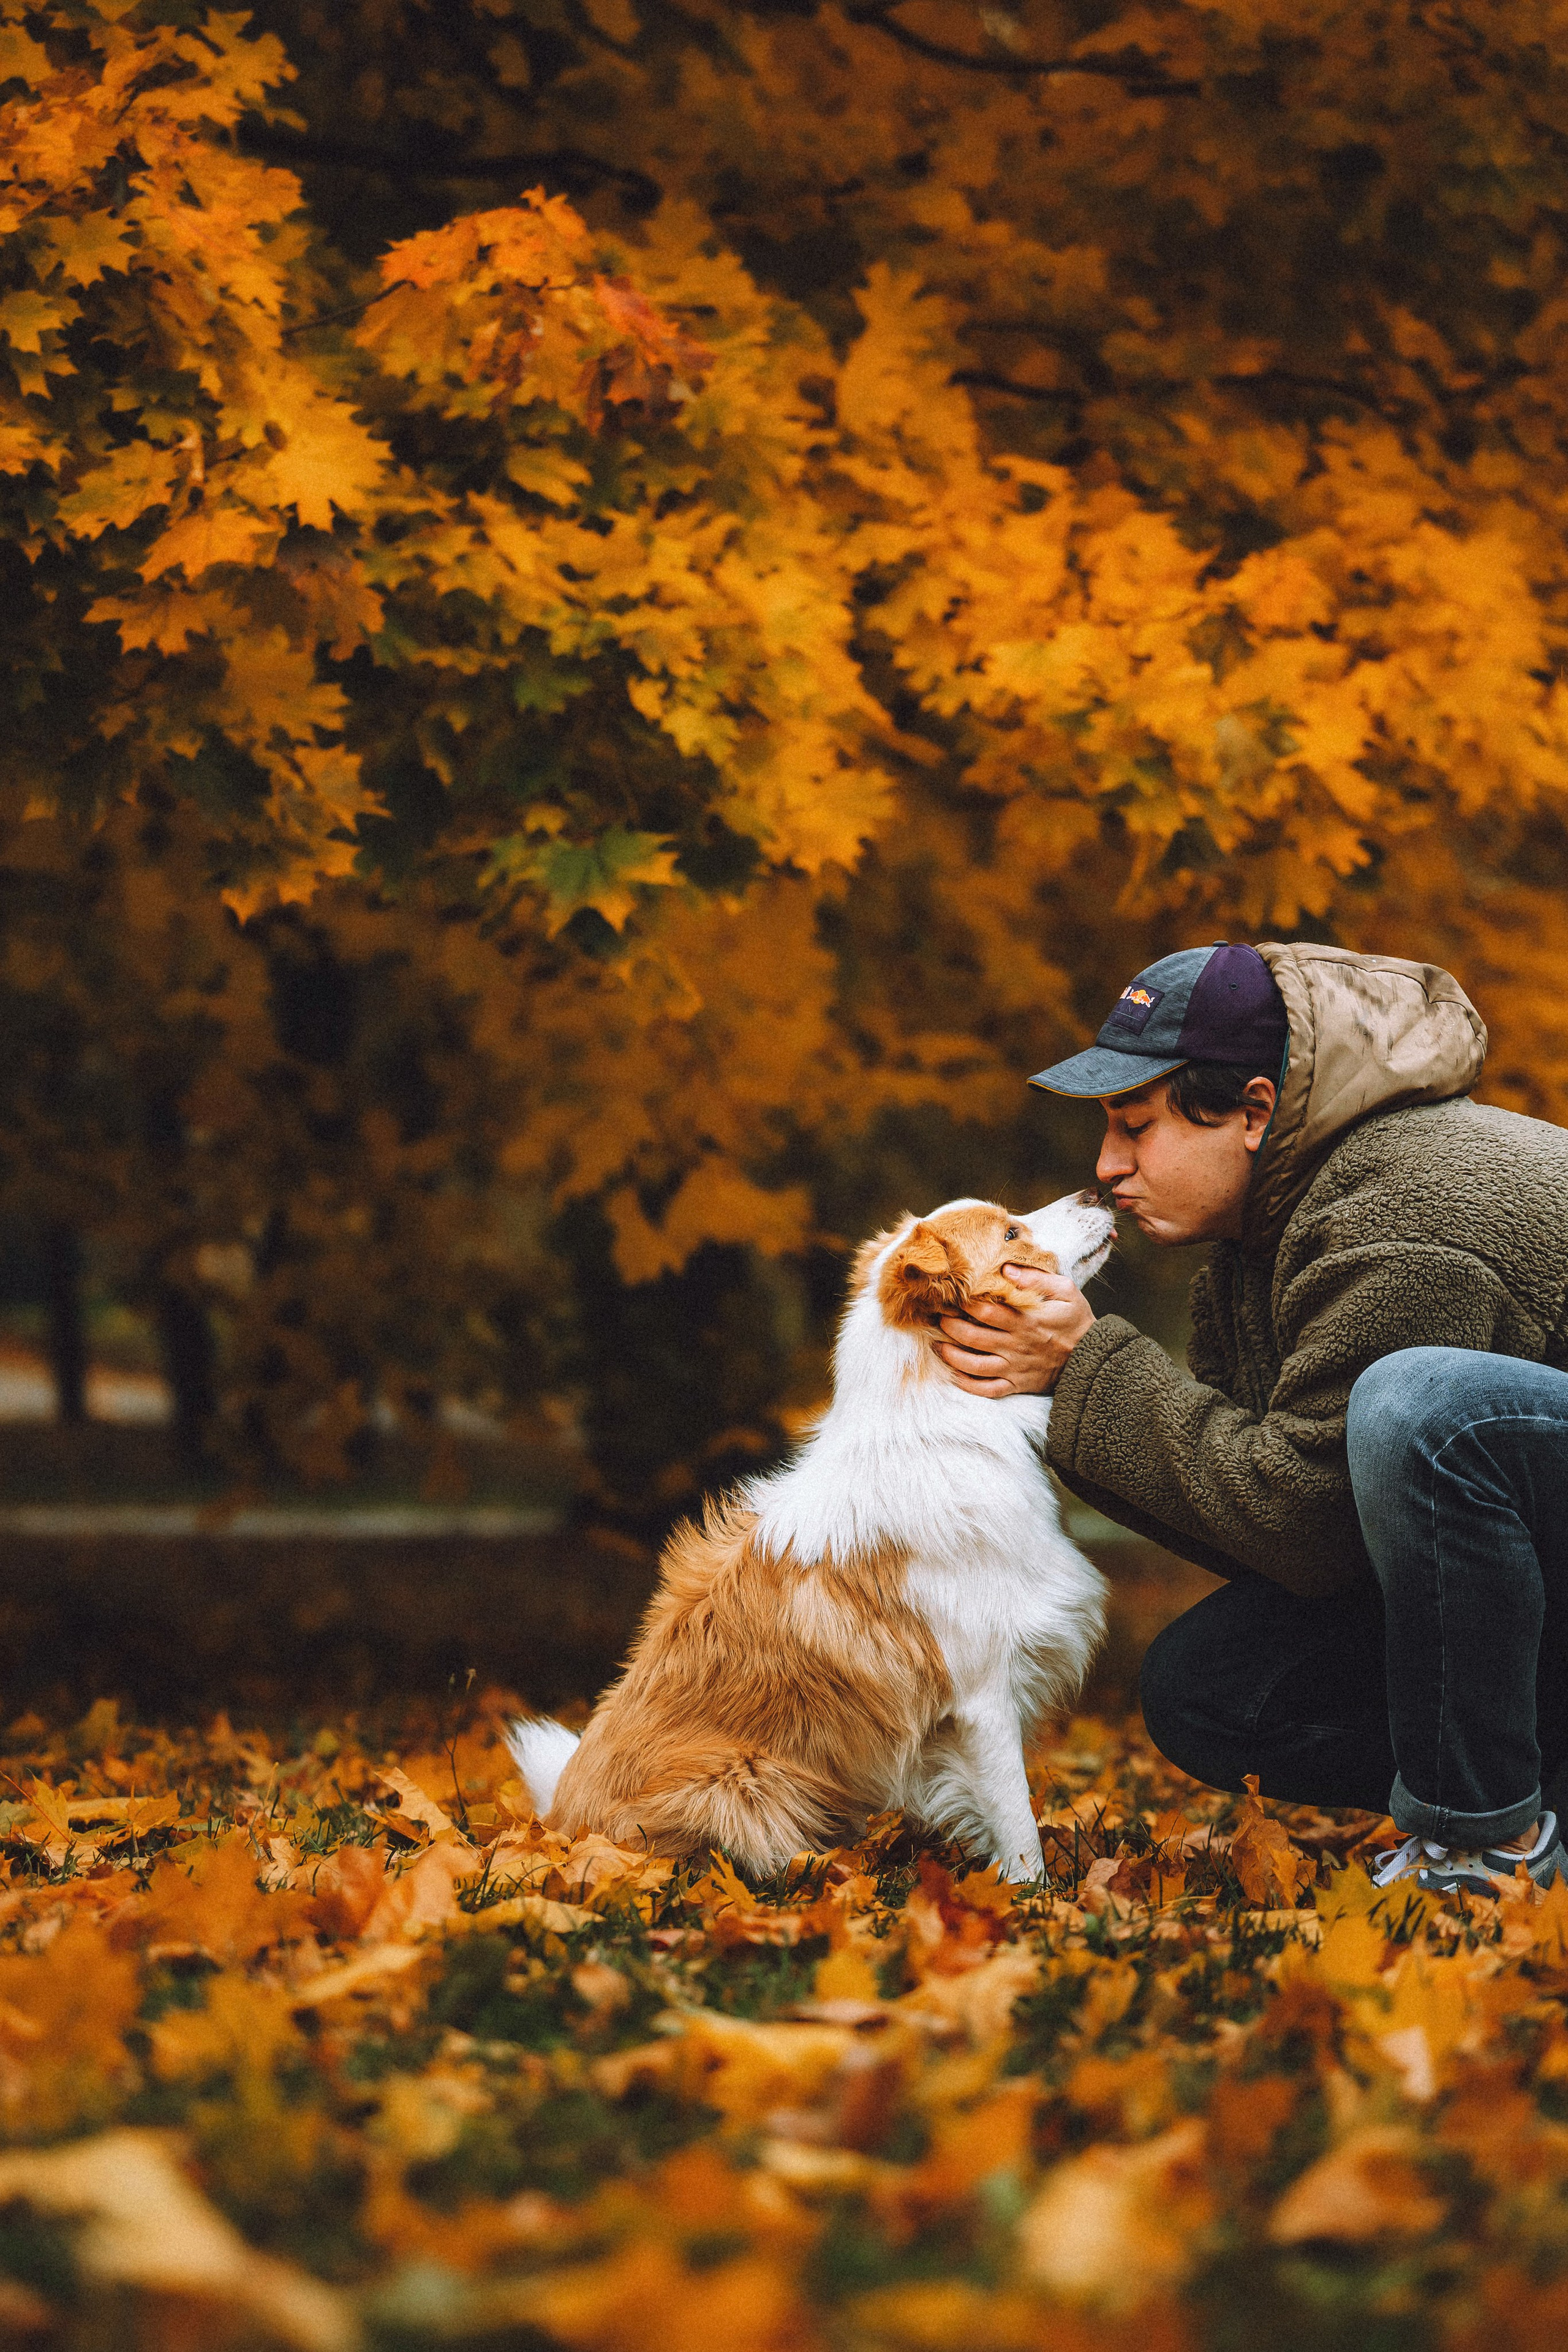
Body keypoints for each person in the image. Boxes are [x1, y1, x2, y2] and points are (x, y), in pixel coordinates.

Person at [933, 940, 1568, 1896]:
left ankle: (1487, 1839)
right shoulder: (1257, 1249)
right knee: (1214, 1687)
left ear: (1255, 1113)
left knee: (1419, 1405)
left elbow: (1308, 1527)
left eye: (1135, 1126)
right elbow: (1266, 1515)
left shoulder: (1409, 1205)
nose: (1107, 1166)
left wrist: (1080, 1369)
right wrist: (1069, 1384)